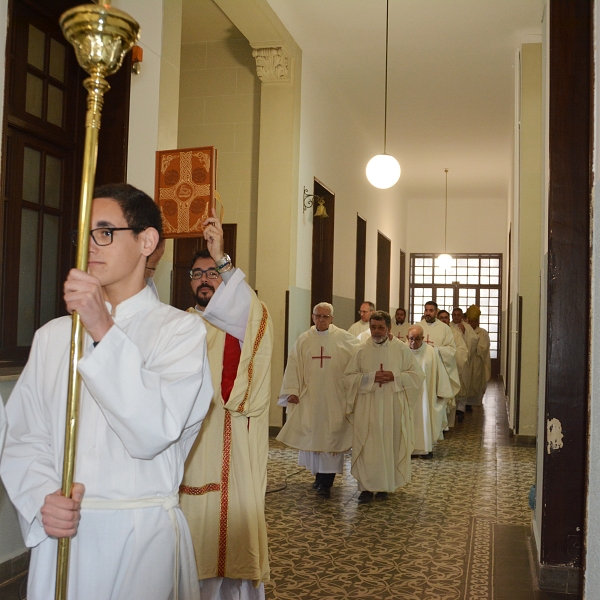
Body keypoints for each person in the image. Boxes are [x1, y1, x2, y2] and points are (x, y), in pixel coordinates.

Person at [0, 183, 213, 600]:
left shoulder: (181, 332)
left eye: (105, 232)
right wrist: (43, 495)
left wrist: (101, 328)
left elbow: (152, 431)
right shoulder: (52, 337)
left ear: (146, 241)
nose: (91, 246)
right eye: (85, 234)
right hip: (65, 537)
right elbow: (24, 436)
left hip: (139, 540)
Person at [176, 214, 273, 600]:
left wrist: (222, 257)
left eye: (211, 273)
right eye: (196, 274)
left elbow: (250, 312)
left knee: (232, 535)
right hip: (186, 442)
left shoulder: (237, 321)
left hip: (231, 435)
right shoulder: (180, 324)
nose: (203, 279)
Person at [277, 303, 360, 498]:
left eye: (325, 316)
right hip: (311, 397)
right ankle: (318, 477)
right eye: (318, 316)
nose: (321, 319)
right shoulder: (304, 339)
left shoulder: (343, 337)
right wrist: (292, 390)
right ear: (312, 317)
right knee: (313, 436)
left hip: (335, 397)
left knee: (331, 438)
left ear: (332, 318)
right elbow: (293, 365)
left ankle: (326, 482)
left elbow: (362, 352)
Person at [344, 311, 425, 504]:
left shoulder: (401, 349)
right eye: (373, 327)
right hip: (368, 406)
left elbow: (417, 376)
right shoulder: (361, 349)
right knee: (366, 445)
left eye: (381, 327)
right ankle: (365, 487)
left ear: (388, 328)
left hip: (391, 407)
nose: (377, 331)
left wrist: (395, 377)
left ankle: (384, 487)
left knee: (389, 443)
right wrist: (370, 378)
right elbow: (348, 378)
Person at [407, 325, 454, 458]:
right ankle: (409, 449)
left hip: (425, 396)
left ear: (423, 338)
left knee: (424, 418)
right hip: (407, 396)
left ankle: (425, 449)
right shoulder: (402, 351)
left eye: (417, 339)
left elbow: (440, 374)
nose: (413, 342)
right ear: (407, 338)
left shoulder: (431, 352)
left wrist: (442, 393)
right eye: (411, 339)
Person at [437, 310, 469, 427]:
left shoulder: (455, 333)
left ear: (449, 319)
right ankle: (436, 425)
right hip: (435, 372)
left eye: (446, 318)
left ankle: (447, 425)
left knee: (449, 398)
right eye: (441, 318)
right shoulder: (433, 332)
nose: (444, 320)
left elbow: (463, 351)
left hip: (450, 371)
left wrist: (450, 358)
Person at [450, 307, 478, 421]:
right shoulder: (448, 326)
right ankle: (452, 408)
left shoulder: (467, 327)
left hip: (464, 361)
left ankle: (460, 409)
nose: (456, 317)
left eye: (458, 315)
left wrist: (465, 333)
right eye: (454, 315)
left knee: (463, 384)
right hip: (452, 362)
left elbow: (474, 340)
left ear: (462, 316)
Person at [465, 305, 492, 408]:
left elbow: (484, 347)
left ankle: (475, 402)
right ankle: (464, 403)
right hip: (467, 360)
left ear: (477, 321)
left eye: (474, 321)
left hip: (477, 360)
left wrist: (475, 347)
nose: (472, 323)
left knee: (476, 381)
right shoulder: (465, 330)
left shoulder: (483, 332)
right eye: (470, 321)